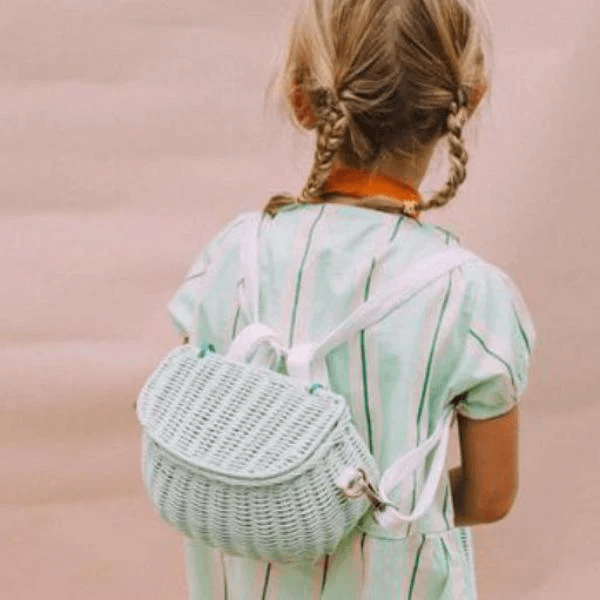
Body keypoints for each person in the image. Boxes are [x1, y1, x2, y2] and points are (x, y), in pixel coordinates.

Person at [166, 0, 536, 598]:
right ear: (468, 100)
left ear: (301, 100)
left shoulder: (233, 256)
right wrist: (372, 507)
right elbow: (490, 497)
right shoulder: (469, 295)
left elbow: (195, 435)